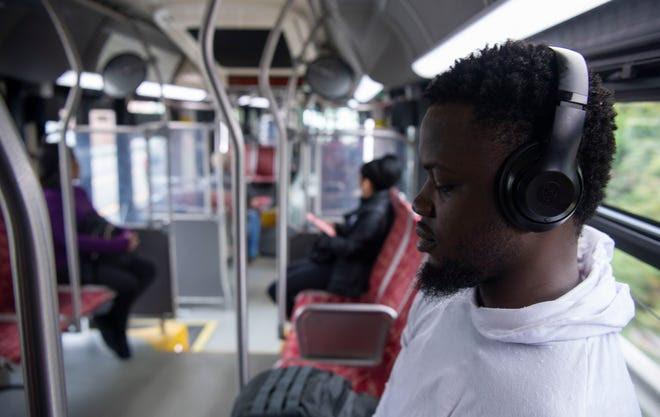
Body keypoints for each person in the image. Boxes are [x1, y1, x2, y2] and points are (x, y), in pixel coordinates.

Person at [373, 41, 641, 416]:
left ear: (541, 197)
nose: (420, 203)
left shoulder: (562, 404)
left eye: (445, 184)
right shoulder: (450, 292)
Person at [39, 143, 155, 359]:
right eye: (74, 161)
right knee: (127, 283)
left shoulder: (77, 192)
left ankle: (112, 319)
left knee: (146, 270)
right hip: (72, 266)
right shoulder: (50, 199)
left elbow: (98, 221)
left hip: (95, 258)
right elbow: (69, 241)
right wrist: (116, 245)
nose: (79, 166)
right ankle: (113, 325)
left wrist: (124, 233)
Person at [267, 154, 402, 317]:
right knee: (286, 274)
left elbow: (354, 248)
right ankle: (300, 323)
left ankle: (302, 326)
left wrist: (328, 240)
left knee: (277, 289)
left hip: (347, 274)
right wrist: (337, 228)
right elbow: (360, 235)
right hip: (342, 264)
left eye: (361, 180)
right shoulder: (375, 204)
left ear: (368, 183)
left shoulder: (375, 213)